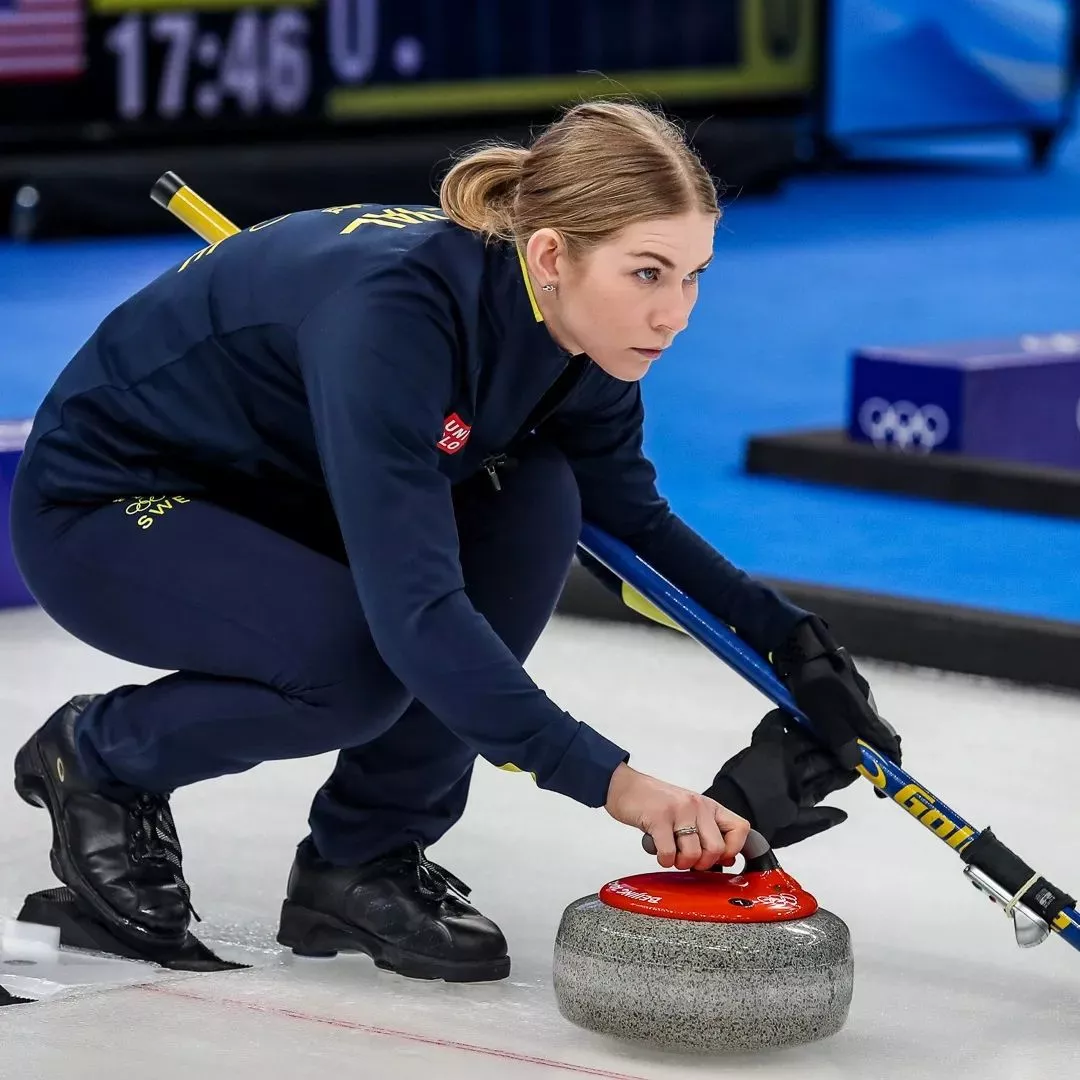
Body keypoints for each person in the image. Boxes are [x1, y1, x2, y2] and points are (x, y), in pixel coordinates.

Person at [9, 100, 901, 983]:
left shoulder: (580, 339)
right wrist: (619, 785)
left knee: (541, 491)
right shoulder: (393, 321)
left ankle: (362, 854)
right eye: (648, 273)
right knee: (351, 670)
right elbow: (419, 615)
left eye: (694, 274)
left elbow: (631, 522)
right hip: (111, 508)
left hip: (286, 489)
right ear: (552, 254)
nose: (676, 313)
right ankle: (98, 759)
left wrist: (793, 644)